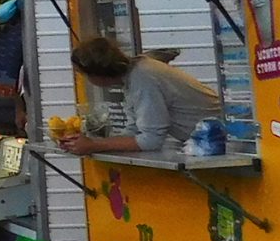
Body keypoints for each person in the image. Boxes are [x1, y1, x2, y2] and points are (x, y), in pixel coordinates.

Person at [60, 35, 222, 154]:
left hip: (219, 140)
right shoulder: (135, 73)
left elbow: (151, 140)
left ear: (97, 75)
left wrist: (95, 145)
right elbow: (134, 131)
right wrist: (92, 142)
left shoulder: (143, 79)